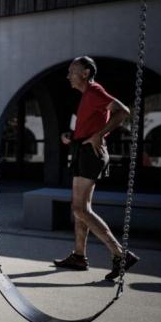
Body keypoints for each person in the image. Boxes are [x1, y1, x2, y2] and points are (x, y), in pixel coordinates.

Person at [53, 56, 139, 280]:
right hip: (83, 152)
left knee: (80, 210)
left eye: (73, 70)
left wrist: (99, 135)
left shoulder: (95, 91)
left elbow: (123, 111)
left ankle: (121, 254)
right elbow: (90, 127)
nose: (68, 75)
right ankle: (79, 256)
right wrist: (72, 137)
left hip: (91, 155)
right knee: (81, 207)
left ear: (86, 72)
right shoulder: (87, 97)